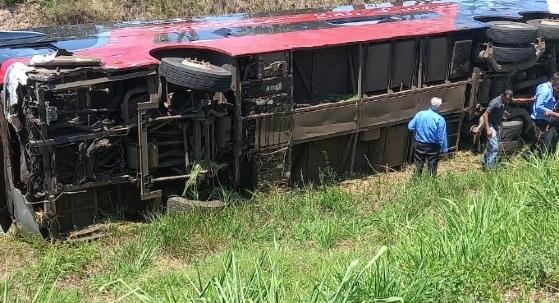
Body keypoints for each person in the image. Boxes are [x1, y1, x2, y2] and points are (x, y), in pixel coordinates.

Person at [408, 97, 448, 177]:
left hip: (420, 144)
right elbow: (442, 137)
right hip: (433, 146)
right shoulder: (440, 119)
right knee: (432, 166)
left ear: (430, 104)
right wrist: (445, 150)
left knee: (418, 163)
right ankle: (431, 182)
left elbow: (410, 127)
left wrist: (419, 130)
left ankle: (416, 180)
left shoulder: (420, 114)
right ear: (439, 107)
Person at [483, 89, 513, 169]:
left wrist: (505, 113)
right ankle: (490, 169)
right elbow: (485, 115)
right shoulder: (495, 102)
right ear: (503, 95)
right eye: (506, 99)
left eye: (509, 100)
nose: (508, 101)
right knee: (495, 147)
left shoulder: (505, 101)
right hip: (491, 125)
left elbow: (503, 108)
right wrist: (488, 129)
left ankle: (485, 163)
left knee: (490, 145)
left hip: (497, 125)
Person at [531, 75, 559, 153]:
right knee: (539, 141)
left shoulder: (544, 87)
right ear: (555, 82)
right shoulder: (545, 90)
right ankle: (534, 159)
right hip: (540, 119)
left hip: (543, 118)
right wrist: (551, 112)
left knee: (540, 141)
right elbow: (539, 106)